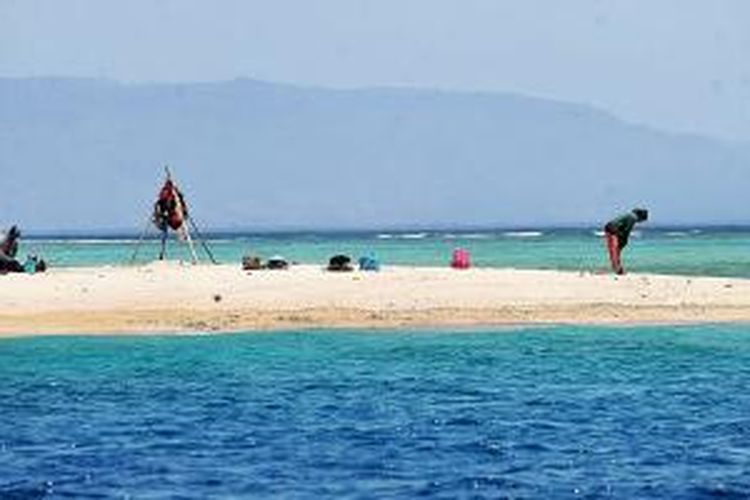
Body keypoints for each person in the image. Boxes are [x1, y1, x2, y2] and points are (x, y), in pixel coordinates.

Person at [604, 208, 648, 275]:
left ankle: (616, 268)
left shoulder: (630, 215)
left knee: (613, 250)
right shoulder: (633, 218)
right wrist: (624, 240)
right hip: (613, 229)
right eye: (642, 221)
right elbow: (626, 230)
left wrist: (623, 239)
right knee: (615, 250)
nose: (639, 222)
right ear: (641, 217)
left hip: (609, 227)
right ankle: (618, 269)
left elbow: (623, 229)